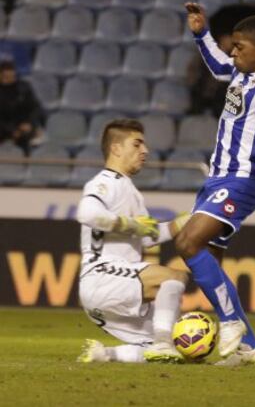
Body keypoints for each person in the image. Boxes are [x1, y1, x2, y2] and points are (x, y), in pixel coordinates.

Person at [175, 3, 255, 366]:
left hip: (242, 178)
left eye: (240, 46)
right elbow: (215, 64)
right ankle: (250, 346)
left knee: (187, 241)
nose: (233, 51)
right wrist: (201, 32)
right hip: (216, 179)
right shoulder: (240, 74)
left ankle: (230, 322)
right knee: (207, 263)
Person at [76, 119, 189, 364]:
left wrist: (191, 219)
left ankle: (106, 354)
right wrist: (129, 224)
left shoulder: (130, 191)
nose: (145, 151)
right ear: (116, 148)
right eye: (137, 144)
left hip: (109, 289)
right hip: (102, 276)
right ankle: (161, 343)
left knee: (176, 346)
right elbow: (86, 213)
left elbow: (150, 238)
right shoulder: (106, 182)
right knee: (174, 278)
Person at [0, 60, 45, 153]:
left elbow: (35, 108)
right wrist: (12, 130)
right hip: (4, 128)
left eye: (13, 77)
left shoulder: (23, 88)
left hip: (23, 127)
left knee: (30, 138)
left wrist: (30, 123)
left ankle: (27, 162)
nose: (11, 80)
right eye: (6, 77)